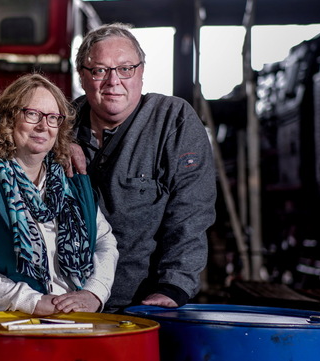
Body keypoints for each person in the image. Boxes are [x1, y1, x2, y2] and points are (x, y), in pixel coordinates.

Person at [0, 73, 119, 316]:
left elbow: (105, 242)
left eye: (53, 118)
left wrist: (94, 293)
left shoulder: (70, 182)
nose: (44, 126)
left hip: (71, 320)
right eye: (32, 114)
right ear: (7, 119)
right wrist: (32, 302)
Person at [70, 23, 217, 313]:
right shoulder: (57, 124)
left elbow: (191, 211)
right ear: (82, 77)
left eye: (125, 69)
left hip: (142, 305)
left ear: (141, 71)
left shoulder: (173, 121)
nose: (113, 81)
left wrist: (174, 285)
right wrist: (59, 141)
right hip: (66, 301)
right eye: (100, 70)